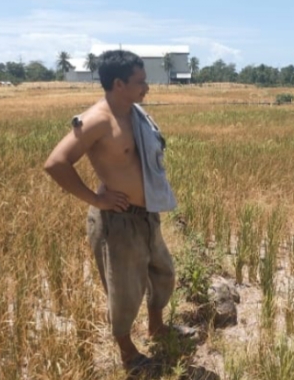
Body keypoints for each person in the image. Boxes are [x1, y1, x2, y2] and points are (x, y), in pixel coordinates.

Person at [44, 50, 193, 375]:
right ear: (118, 83)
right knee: (125, 290)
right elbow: (56, 163)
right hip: (119, 221)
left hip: (146, 213)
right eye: (140, 82)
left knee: (163, 274)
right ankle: (127, 353)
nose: (147, 87)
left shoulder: (133, 113)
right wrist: (97, 201)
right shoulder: (97, 120)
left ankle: (156, 327)